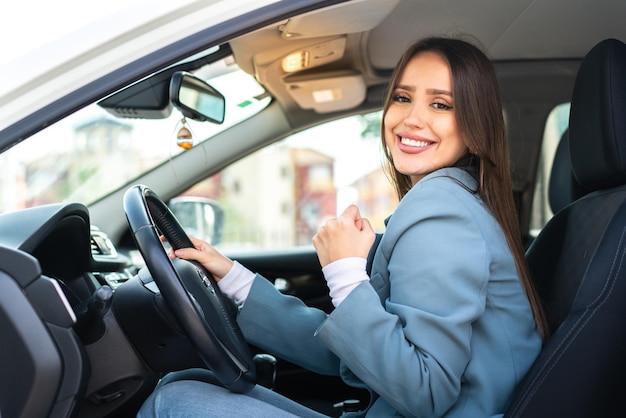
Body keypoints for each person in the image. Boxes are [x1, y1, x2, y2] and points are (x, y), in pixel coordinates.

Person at [137, 35, 548, 418]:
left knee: (173, 400)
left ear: (476, 127)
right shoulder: (456, 203)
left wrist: (346, 275)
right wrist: (234, 279)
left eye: (441, 105)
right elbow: (355, 354)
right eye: (403, 98)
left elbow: (425, 391)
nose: (411, 119)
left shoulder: (441, 213)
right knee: (184, 383)